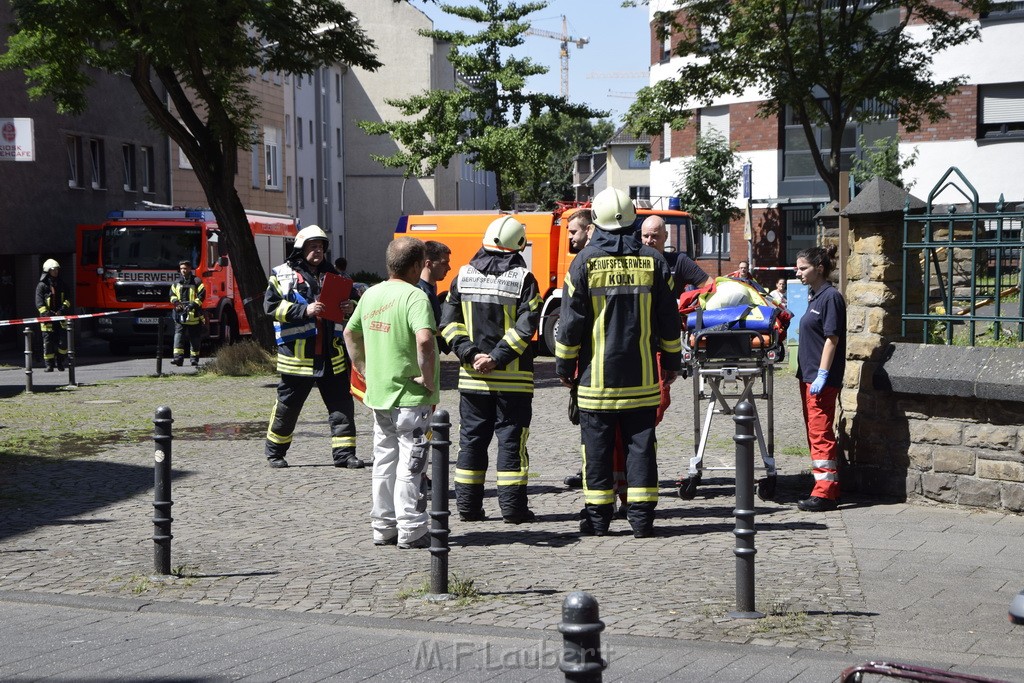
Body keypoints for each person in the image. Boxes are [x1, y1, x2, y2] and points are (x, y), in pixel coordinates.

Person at [555, 188, 682, 538]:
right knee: (640, 450)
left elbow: (570, 325)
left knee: (595, 453)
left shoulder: (582, 263)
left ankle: (598, 522)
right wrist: (671, 362)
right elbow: (668, 320)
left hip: (596, 383)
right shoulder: (654, 261)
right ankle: (641, 521)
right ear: (632, 221)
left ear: (595, 222)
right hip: (641, 381)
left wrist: (564, 368)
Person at [440, 216, 542, 524]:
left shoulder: (462, 276)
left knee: (471, 441)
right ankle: (513, 510)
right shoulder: (524, 279)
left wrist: (472, 355)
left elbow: (447, 324)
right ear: (519, 245)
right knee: (511, 442)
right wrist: (496, 357)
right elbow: (527, 327)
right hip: (513, 381)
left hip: (473, 380)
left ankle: (468, 508)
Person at [344, 237, 438, 550]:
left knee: (384, 463)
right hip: (411, 396)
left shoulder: (370, 294)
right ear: (416, 266)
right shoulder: (415, 297)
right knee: (412, 466)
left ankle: (383, 528)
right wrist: (428, 380)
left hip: (381, 393)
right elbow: (424, 341)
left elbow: (349, 332)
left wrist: (364, 368)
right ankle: (411, 530)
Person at [263, 225, 364, 470]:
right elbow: (271, 308)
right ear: (301, 248)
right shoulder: (282, 274)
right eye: (312, 246)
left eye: (321, 246)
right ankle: (275, 452)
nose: (317, 250)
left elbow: (355, 300)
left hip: (332, 354)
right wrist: (304, 310)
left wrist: (350, 306)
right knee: (287, 408)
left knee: (341, 406)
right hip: (298, 358)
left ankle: (344, 455)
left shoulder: (336, 276)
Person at [794, 245, 846, 512]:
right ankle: (828, 487)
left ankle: (824, 494)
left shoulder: (830, 298)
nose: (798, 272)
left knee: (820, 433)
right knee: (815, 432)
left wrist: (823, 374)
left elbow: (831, 339)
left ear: (820, 269)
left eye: (803, 268)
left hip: (820, 379)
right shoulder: (815, 296)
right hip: (809, 376)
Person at [35, 259, 71, 372]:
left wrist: (62, 310)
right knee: (48, 343)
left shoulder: (62, 283)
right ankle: (49, 365)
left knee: (63, 343)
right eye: (53, 269)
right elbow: (39, 303)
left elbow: (68, 299)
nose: (56, 271)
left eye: (57, 269)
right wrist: (47, 313)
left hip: (60, 318)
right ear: (47, 271)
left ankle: (60, 361)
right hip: (47, 320)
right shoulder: (41, 286)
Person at [169, 260, 206, 367]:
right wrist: (176, 304)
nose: (183, 270)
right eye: (181, 269)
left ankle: (194, 359)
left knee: (194, 338)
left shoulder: (197, 281)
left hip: (194, 314)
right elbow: (172, 295)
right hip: (180, 314)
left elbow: (201, 296)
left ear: (190, 269)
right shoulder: (176, 282)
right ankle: (178, 358)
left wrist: (192, 305)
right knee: (178, 336)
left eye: (185, 268)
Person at [417, 240, 452, 353]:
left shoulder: (430, 289)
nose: (448, 268)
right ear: (428, 264)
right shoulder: (419, 292)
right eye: (444, 263)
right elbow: (424, 330)